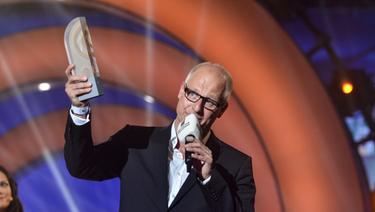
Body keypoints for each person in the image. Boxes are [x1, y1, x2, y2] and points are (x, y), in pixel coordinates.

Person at [64, 62, 256, 211]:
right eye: (193, 94)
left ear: (221, 110)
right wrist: (80, 108)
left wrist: (208, 178)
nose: (197, 108)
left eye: (210, 102)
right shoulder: (135, 141)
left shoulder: (236, 166)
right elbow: (82, 166)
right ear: (181, 90)